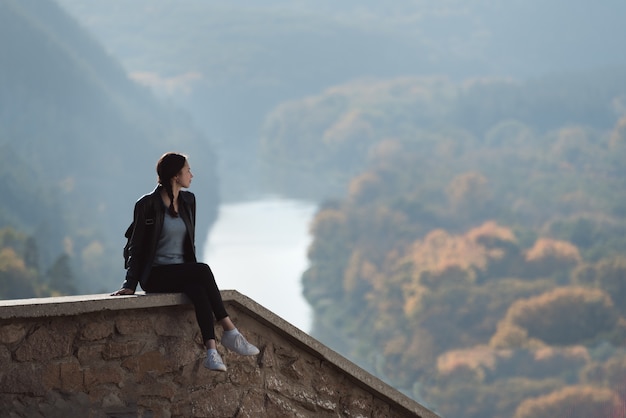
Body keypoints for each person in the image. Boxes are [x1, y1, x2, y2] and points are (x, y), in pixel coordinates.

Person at [111, 152, 259, 371]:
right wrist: (129, 284)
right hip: (156, 274)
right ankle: (230, 331)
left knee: (199, 289)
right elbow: (136, 245)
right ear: (175, 176)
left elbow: (189, 242)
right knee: (203, 270)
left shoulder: (189, 201)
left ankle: (211, 352)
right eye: (188, 170)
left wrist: (190, 270)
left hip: (181, 271)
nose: (192, 174)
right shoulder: (147, 204)